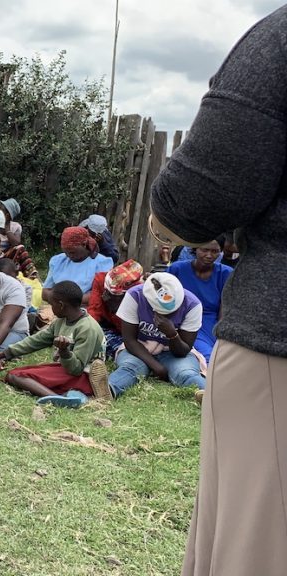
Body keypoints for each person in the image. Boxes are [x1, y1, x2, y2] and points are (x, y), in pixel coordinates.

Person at [149, 10, 287, 573]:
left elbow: (195, 200)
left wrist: (167, 221)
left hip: (271, 344)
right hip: (184, 341)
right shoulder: (173, 279)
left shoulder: (278, 40)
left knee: (256, 544)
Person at [0, 280, 109, 407]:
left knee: (15, 376)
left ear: (61, 305)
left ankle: (58, 399)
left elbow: (76, 369)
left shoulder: (87, 328)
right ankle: (72, 395)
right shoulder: (61, 321)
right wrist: (5, 354)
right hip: (65, 371)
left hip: (84, 377)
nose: (51, 308)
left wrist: (64, 352)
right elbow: (36, 341)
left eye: (51, 304)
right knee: (21, 373)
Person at [106, 273, 207, 398]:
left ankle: (210, 397)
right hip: (139, 349)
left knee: (186, 373)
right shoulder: (135, 296)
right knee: (131, 368)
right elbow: (129, 340)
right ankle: (108, 389)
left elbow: (183, 351)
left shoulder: (192, 304)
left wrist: (172, 334)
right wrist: (156, 367)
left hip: (173, 352)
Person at [167, 239, 233, 363]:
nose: (209, 255)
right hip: (182, 319)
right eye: (204, 250)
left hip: (210, 321)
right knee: (206, 354)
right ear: (195, 249)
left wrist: (221, 333)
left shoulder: (225, 273)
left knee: (216, 354)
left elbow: (225, 306)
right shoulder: (177, 269)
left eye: (215, 251)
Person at [42, 226, 114, 305]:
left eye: (72, 252)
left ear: (84, 245)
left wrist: (69, 302)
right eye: (66, 253)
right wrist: (58, 300)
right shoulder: (58, 261)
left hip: (87, 308)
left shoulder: (102, 263)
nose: (69, 256)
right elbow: (45, 292)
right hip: (59, 306)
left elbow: (99, 294)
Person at [87, 259, 144, 359]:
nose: (107, 295)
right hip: (108, 327)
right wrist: (86, 330)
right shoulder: (100, 279)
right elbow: (94, 310)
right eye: (107, 292)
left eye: (115, 295)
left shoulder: (140, 295)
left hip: (130, 332)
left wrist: (116, 308)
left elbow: (132, 329)